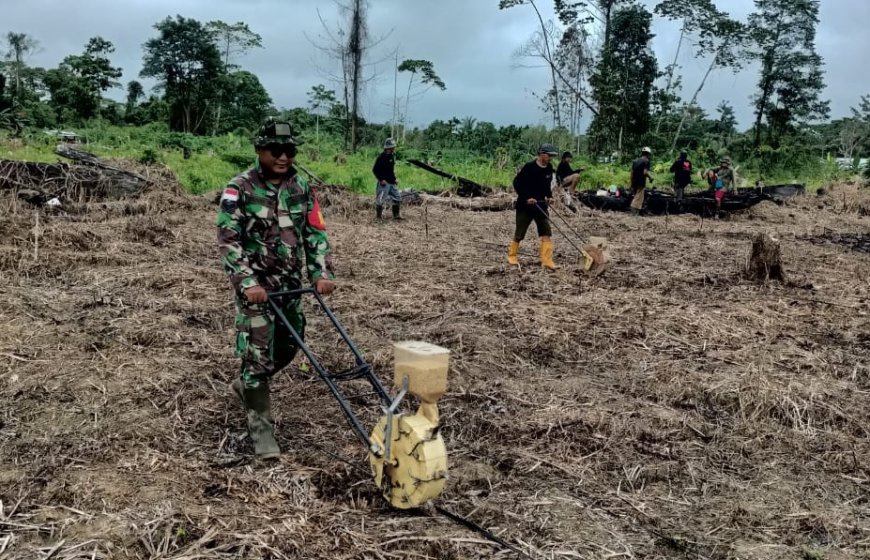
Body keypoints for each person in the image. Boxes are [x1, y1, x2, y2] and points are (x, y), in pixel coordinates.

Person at [217, 119, 336, 459]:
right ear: (260, 150)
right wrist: (247, 283)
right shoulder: (239, 188)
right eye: (277, 151)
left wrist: (319, 273)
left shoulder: (301, 188)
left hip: (290, 287)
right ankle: (262, 431)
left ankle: (249, 385)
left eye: (290, 151)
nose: (285, 157)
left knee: (289, 345)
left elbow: (314, 234)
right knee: (257, 357)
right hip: (256, 290)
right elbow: (228, 241)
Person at [508, 144, 559, 271]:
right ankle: (512, 256)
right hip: (525, 205)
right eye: (549, 155)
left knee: (546, 232)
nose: (551, 158)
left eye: (552, 156)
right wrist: (526, 198)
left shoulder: (549, 168)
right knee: (520, 233)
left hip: (541, 204)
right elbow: (517, 183)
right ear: (541, 154)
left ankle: (546, 260)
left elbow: (546, 186)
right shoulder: (529, 167)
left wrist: (549, 196)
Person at [373, 138, 401, 221]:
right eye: (392, 147)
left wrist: (394, 179)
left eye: (393, 147)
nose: (393, 149)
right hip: (384, 183)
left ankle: (396, 216)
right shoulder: (381, 157)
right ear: (388, 148)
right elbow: (375, 170)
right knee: (380, 200)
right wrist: (381, 179)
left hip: (391, 182)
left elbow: (391, 170)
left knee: (397, 197)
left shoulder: (392, 157)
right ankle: (378, 218)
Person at [630, 147, 654, 215]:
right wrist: (650, 178)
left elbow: (631, 173)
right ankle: (633, 213)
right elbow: (645, 172)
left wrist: (631, 183)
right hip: (641, 182)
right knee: (638, 198)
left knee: (636, 196)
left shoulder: (635, 161)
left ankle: (636, 212)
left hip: (634, 181)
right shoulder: (646, 161)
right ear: (648, 154)